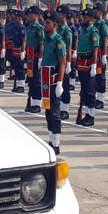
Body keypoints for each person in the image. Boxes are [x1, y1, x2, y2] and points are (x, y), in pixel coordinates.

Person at [41, 11, 66, 155]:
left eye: (48, 23)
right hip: (45, 79)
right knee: (48, 110)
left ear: (55, 25)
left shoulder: (58, 41)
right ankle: (51, 138)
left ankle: (56, 142)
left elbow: (63, 62)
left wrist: (60, 83)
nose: (45, 25)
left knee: (55, 112)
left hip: (53, 79)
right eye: (45, 22)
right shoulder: (47, 39)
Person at [75, 8, 99, 126]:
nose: (82, 19)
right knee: (84, 91)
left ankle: (91, 116)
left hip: (89, 63)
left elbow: (95, 49)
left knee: (90, 92)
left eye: (85, 18)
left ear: (90, 18)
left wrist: (94, 65)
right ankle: (85, 114)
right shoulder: (84, 30)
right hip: (81, 63)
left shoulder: (93, 31)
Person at [55, 5, 74, 119]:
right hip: (56, 61)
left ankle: (65, 109)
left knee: (65, 87)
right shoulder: (56, 28)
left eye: (60, 14)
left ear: (64, 16)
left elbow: (69, 48)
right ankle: (58, 107)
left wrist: (69, 63)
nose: (57, 16)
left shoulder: (67, 31)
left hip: (64, 61)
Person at [24, 6, 44, 112]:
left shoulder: (39, 28)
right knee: (31, 80)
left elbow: (41, 44)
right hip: (30, 57)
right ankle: (32, 101)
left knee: (37, 80)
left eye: (31, 15)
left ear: (36, 16)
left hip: (36, 57)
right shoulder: (29, 27)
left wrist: (40, 58)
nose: (29, 16)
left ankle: (37, 103)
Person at [93, 2, 108, 109]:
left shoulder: (103, 25)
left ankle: (100, 99)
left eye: (95, 11)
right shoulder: (93, 24)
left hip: (101, 52)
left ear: (100, 12)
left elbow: (105, 39)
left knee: (101, 77)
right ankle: (95, 98)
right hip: (94, 52)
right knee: (94, 77)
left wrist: (104, 55)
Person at [10, 10, 27, 93]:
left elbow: (24, 40)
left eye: (16, 18)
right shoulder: (15, 26)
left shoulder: (22, 27)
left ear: (20, 18)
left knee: (20, 69)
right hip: (15, 49)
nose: (14, 19)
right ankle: (18, 85)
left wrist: (23, 51)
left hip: (20, 49)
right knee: (16, 68)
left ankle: (21, 86)